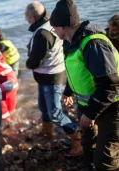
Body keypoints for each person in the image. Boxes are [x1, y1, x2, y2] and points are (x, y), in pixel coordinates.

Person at [50, 0, 119, 170]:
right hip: (87, 105)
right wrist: (67, 92)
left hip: (111, 106)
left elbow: (109, 84)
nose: (53, 30)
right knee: (88, 144)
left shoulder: (93, 44)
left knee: (106, 160)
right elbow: (76, 71)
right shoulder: (70, 42)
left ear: (63, 26)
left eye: (54, 27)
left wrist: (90, 113)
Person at [25, 1, 82, 156]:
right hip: (50, 74)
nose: (26, 20)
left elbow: (36, 60)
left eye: (27, 17)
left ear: (34, 17)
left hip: (51, 78)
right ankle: (47, 131)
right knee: (44, 107)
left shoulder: (42, 34)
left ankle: (76, 138)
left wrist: (28, 64)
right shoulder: (51, 24)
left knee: (56, 113)